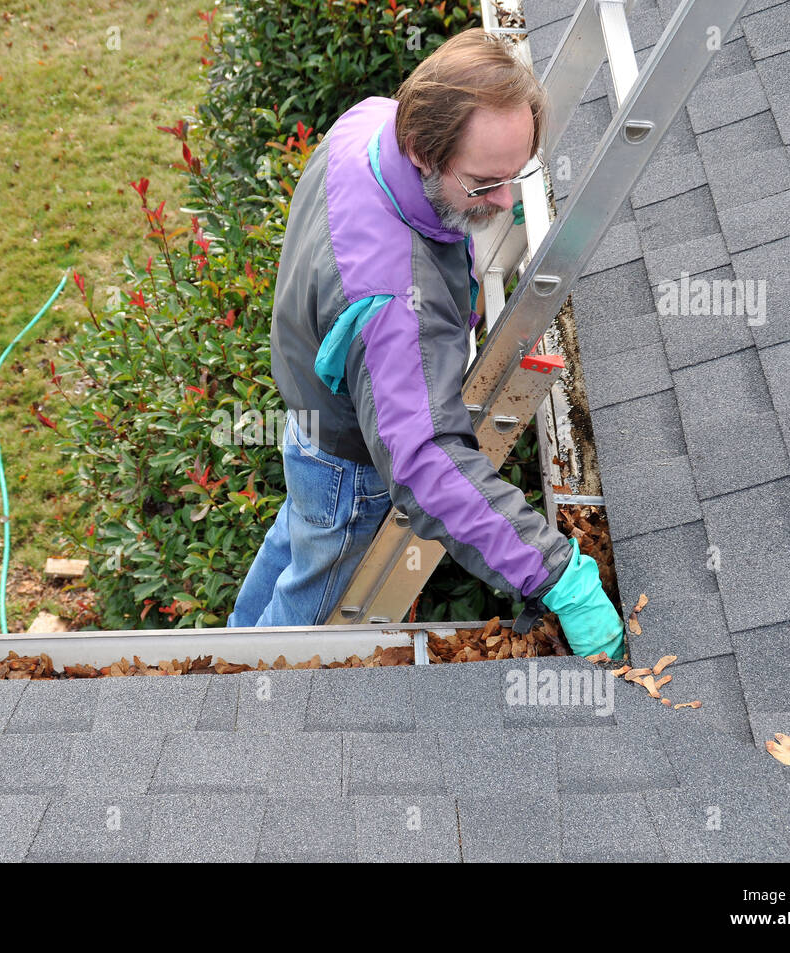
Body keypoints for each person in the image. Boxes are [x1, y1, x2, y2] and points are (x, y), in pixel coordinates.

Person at [225, 29, 624, 659]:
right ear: (422, 150)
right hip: (350, 467)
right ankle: (237, 703)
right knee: (295, 627)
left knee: (295, 546)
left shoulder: (368, 123)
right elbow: (423, 464)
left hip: (312, 418)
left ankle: (220, 656)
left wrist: (476, 210)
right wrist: (555, 574)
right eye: (483, 185)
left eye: (514, 175)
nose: (504, 200)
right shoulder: (393, 304)